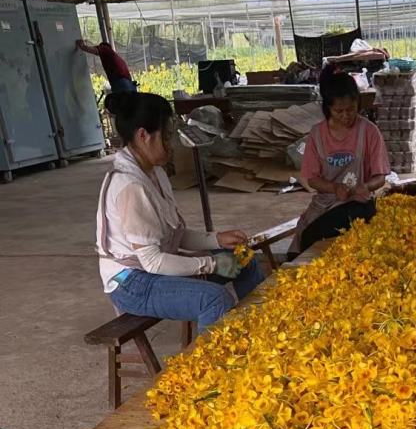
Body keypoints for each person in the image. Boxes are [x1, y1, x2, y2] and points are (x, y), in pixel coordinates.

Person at [96, 92, 262, 331]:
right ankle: (211, 367)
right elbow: (152, 262)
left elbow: (174, 234)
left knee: (246, 260)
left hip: (154, 268)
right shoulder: (130, 186)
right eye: (167, 136)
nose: (171, 144)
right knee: (214, 299)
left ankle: (261, 332)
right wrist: (211, 263)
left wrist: (215, 238)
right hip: (131, 282)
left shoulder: (156, 173)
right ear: (143, 136)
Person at [289, 72, 390, 256]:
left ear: (358, 103)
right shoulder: (317, 134)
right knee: (303, 239)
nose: (346, 116)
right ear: (328, 108)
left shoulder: (369, 132)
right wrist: (334, 188)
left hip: (357, 202)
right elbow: (312, 179)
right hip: (325, 202)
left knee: (354, 219)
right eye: (339, 111)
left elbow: (380, 177)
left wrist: (365, 186)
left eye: (351, 109)